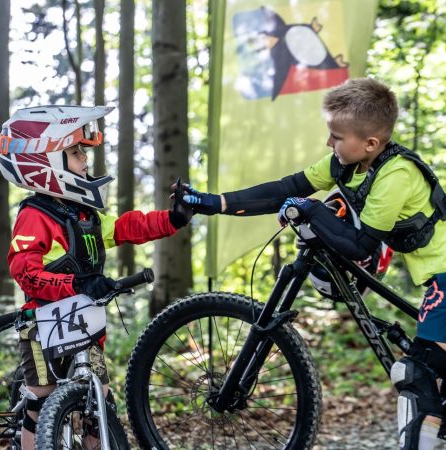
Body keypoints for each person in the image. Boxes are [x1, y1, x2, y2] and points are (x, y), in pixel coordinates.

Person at [177, 78, 446, 450]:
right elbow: (286, 188)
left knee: (417, 375)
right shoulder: (348, 166)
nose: (329, 144)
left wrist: (313, 209)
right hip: (437, 279)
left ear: (370, 143)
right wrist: (213, 202)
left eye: (336, 136)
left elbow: (359, 246)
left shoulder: (395, 174)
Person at [0, 105, 192, 450]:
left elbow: (126, 227)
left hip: (84, 325)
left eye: (83, 152)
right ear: (45, 163)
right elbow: (24, 271)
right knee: (41, 399)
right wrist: (75, 285)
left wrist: (171, 219)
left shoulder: (84, 214)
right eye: (75, 153)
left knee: (99, 397)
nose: (85, 160)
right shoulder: (35, 215)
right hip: (43, 324)